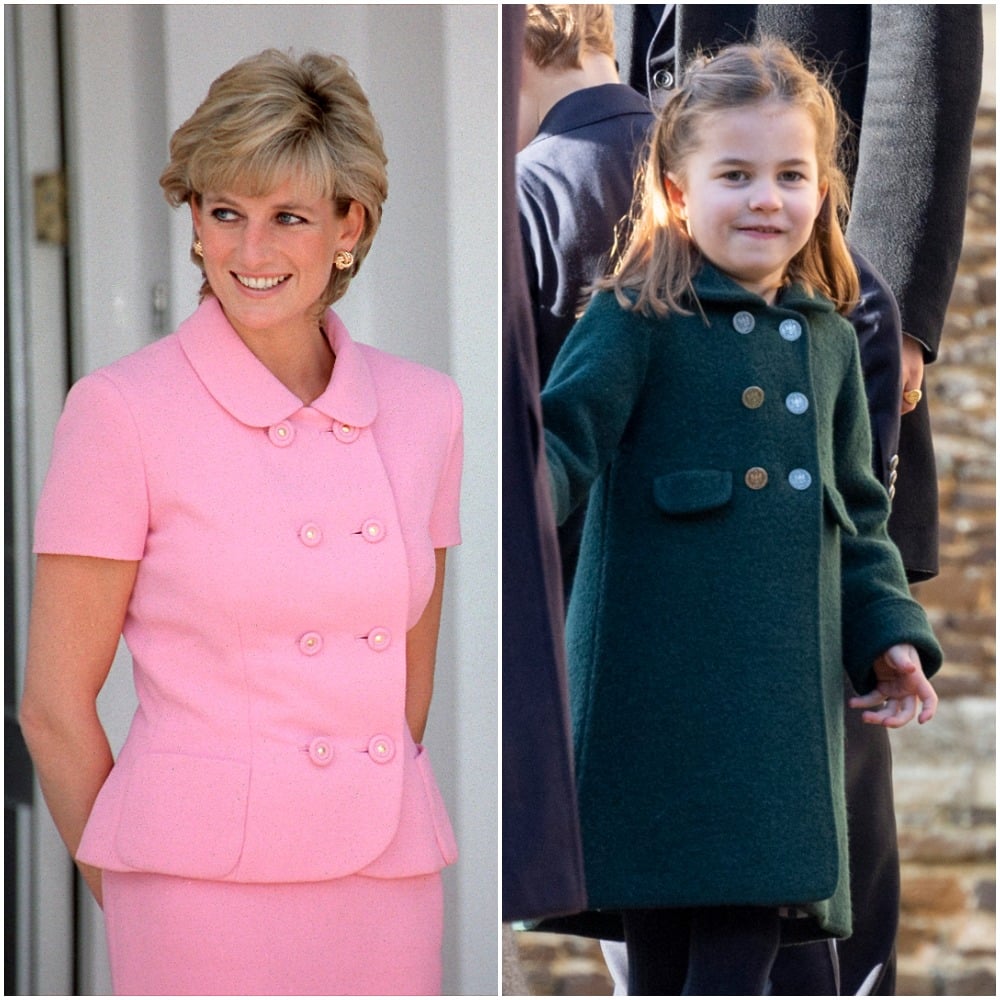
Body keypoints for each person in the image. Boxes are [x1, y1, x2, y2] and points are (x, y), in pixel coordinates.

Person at [19, 49, 463, 996]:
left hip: (384, 876)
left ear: (350, 224)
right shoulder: (121, 412)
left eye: (287, 218)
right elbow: (52, 708)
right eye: (225, 213)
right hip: (193, 896)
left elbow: (403, 688)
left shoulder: (428, 410)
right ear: (195, 220)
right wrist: (135, 886)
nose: (249, 253)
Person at [540, 40, 943, 995]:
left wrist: (888, 636)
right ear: (678, 191)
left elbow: (859, 516)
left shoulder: (833, 340)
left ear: (821, 191)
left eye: (789, 175)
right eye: (736, 175)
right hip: (653, 718)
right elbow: (558, 453)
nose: (766, 198)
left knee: (739, 960)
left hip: (774, 738)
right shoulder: (636, 315)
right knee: (668, 969)